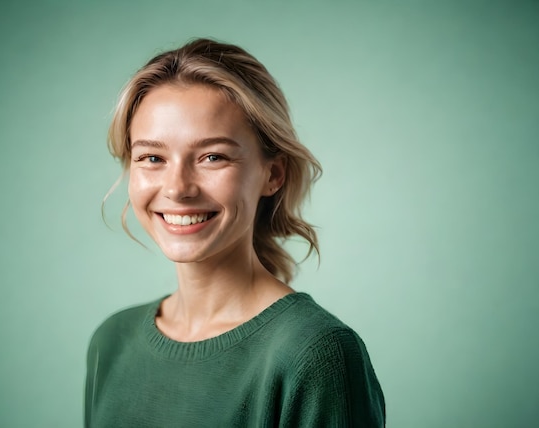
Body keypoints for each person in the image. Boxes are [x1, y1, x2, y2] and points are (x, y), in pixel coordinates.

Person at [85, 38, 385, 427]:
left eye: (213, 156)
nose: (177, 188)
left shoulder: (315, 352)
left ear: (272, 174)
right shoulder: (111, 341)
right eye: (152, 158)